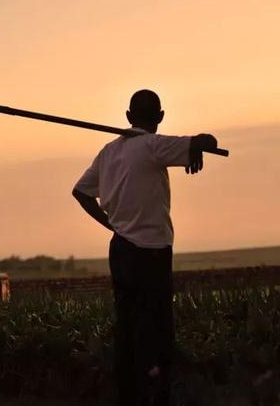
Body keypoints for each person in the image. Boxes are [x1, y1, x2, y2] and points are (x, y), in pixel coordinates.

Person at [72, 89, 218, 406]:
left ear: (127, 117)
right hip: (151, 252)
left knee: (127, 326)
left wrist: (110, 223)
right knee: (157, 328)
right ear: (161, 117)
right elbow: (208, 140)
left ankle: (129, 395)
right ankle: (157, 395)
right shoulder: (154, 145)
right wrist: (196, 149)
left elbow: (81, 192)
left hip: (121, 249)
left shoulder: (108, 152)